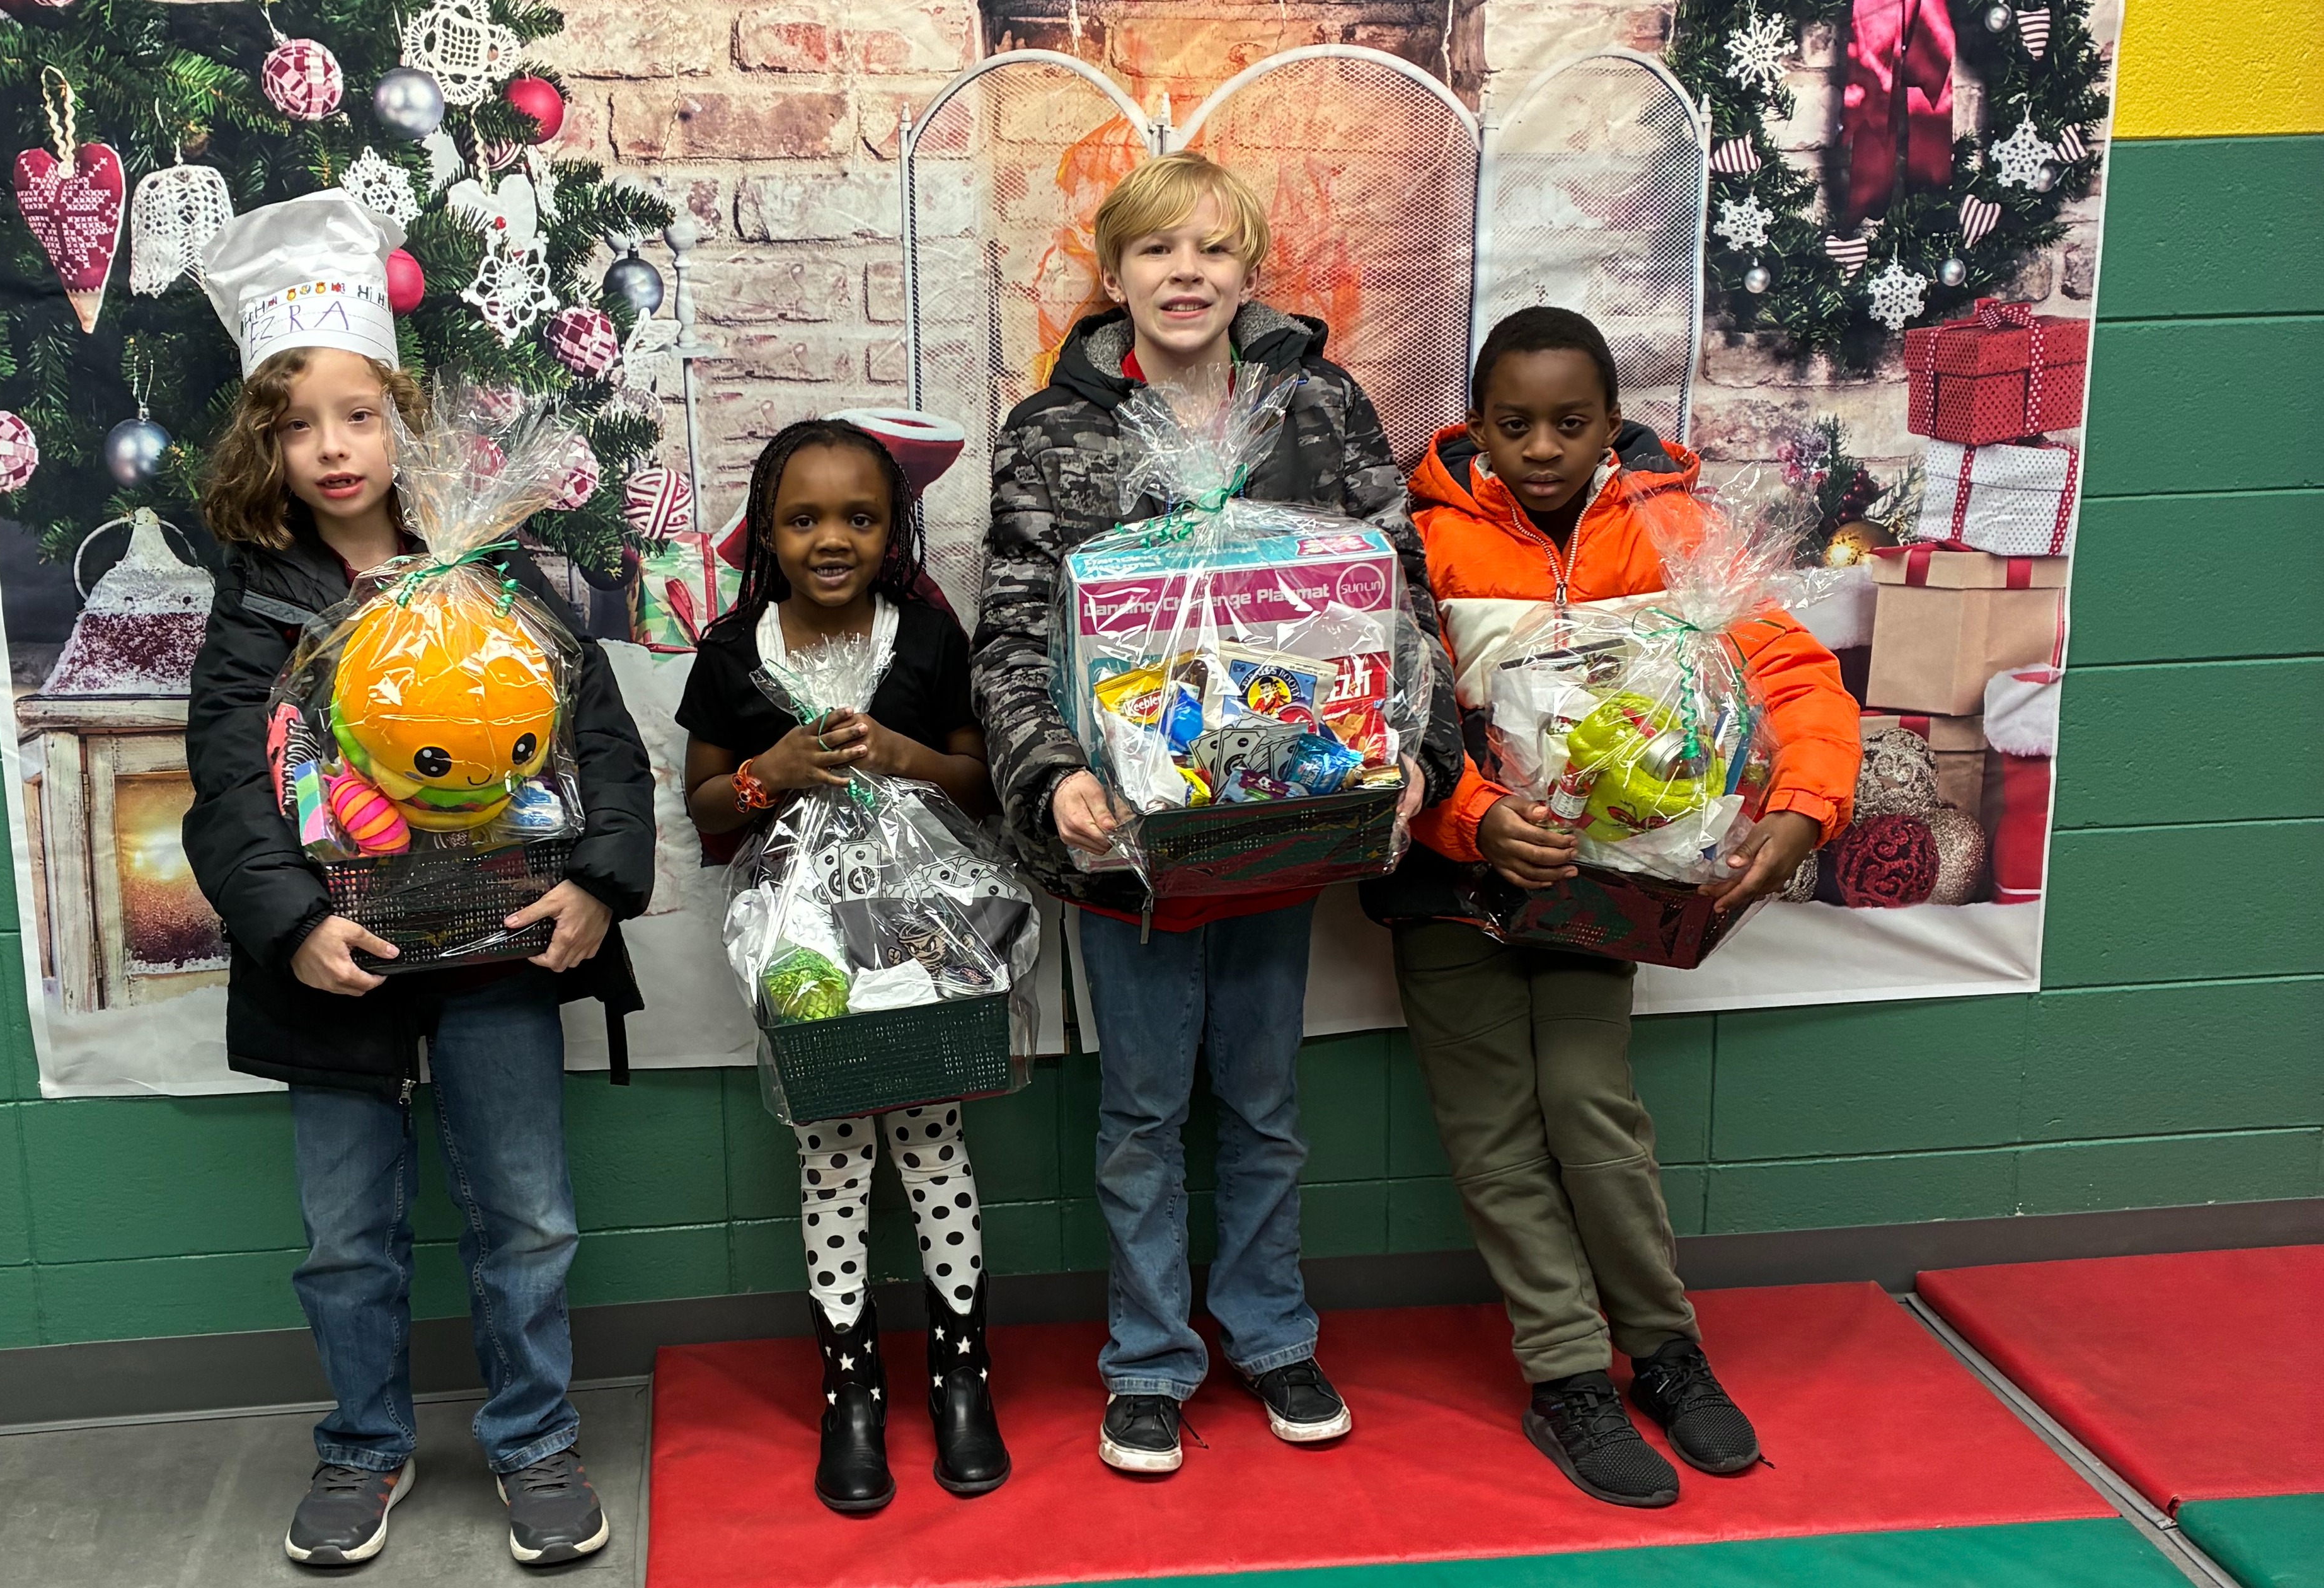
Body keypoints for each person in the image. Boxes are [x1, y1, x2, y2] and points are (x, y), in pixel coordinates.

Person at [973, 151, 1465, 1475]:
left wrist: (1414, 749)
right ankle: (1147, 1361)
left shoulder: (1318, 404)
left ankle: (1272, 1335)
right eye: (1155, 249)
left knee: (1262, 1101)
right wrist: (1052, 775)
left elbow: (1397, 589)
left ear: (1250, 272)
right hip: (1126, 845)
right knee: (1140, 1113)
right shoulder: (1054, 429)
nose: (1184, 273)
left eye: (1211, 249)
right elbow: (1013, 629)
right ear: (1113, 274)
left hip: (1285, 825)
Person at [180, 192, 651, 1568]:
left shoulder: (488, 571)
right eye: (297, 425)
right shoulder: (257, 601)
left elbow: (599, 740)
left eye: (359, 415)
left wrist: (597, 886)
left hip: (504, 944)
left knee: (529, 1217)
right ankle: (363, 1447)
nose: (332, 448)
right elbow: (229, 787)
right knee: (344, 1234)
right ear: (265, 446)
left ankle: (537, 1440)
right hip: (331, 966)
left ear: (406, 422)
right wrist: (290, 926)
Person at [1358, 306, 1860, 1507]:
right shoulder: (1417, 542)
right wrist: (1471, 818)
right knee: (1492, 1132)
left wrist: (1804, 806)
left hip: (1608, 891)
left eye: (1570, 424)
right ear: (1475, 427)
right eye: (1515, 424)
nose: (1542, 448)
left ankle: (1667, 1350)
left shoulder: (1676, 527)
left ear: (1613, 422)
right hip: (1451, 888)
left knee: (1591, 1106)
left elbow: (1791, 673)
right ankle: (1568, 1376)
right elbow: (1376, 715)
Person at [677, 418, 1011, 1512]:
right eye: (804, 519)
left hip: (924, 938)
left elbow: (980, 785)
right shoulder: (734, 654)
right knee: (831, 1158)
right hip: (801, 948)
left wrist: (906, 756)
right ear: (766, 533)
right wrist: (772, 771)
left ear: (894, 528)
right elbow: (708, 809)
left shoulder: (928, 640)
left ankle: (962, 1376)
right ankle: (851, 1389)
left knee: (933, 1143)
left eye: (860, 518)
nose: (832, 539)